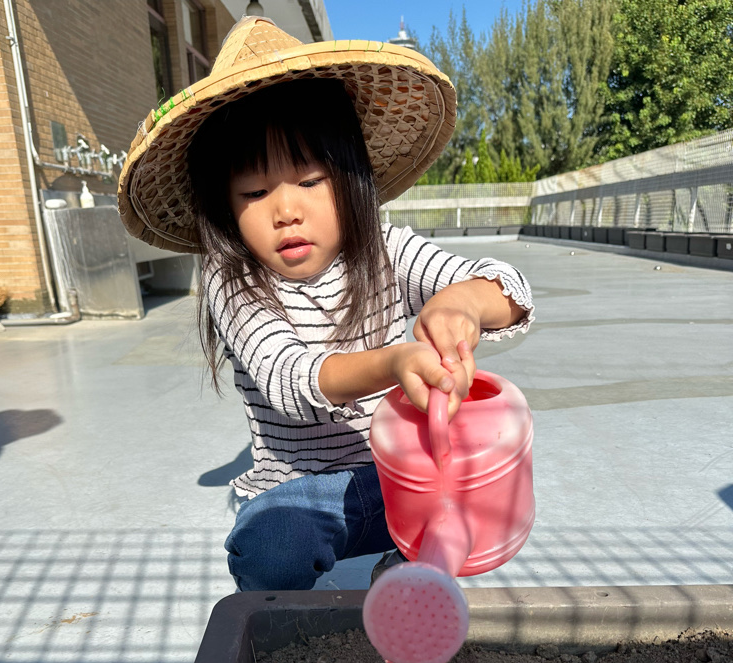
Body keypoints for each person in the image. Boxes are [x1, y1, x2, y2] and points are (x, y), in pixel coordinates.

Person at [118, 16, 534, 592]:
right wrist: (394, 361)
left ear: (351, 179)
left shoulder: (384, 248)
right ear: (224, 207)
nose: (286, 211)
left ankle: (414, 561)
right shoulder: (232, 279)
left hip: (398, 473)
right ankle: (293, 608)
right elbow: (290, 379)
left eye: (310, 181)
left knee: (482, 466)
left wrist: (462, 304)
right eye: (255, 192)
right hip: (305, 490)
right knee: (270, 543)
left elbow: (508, 287)